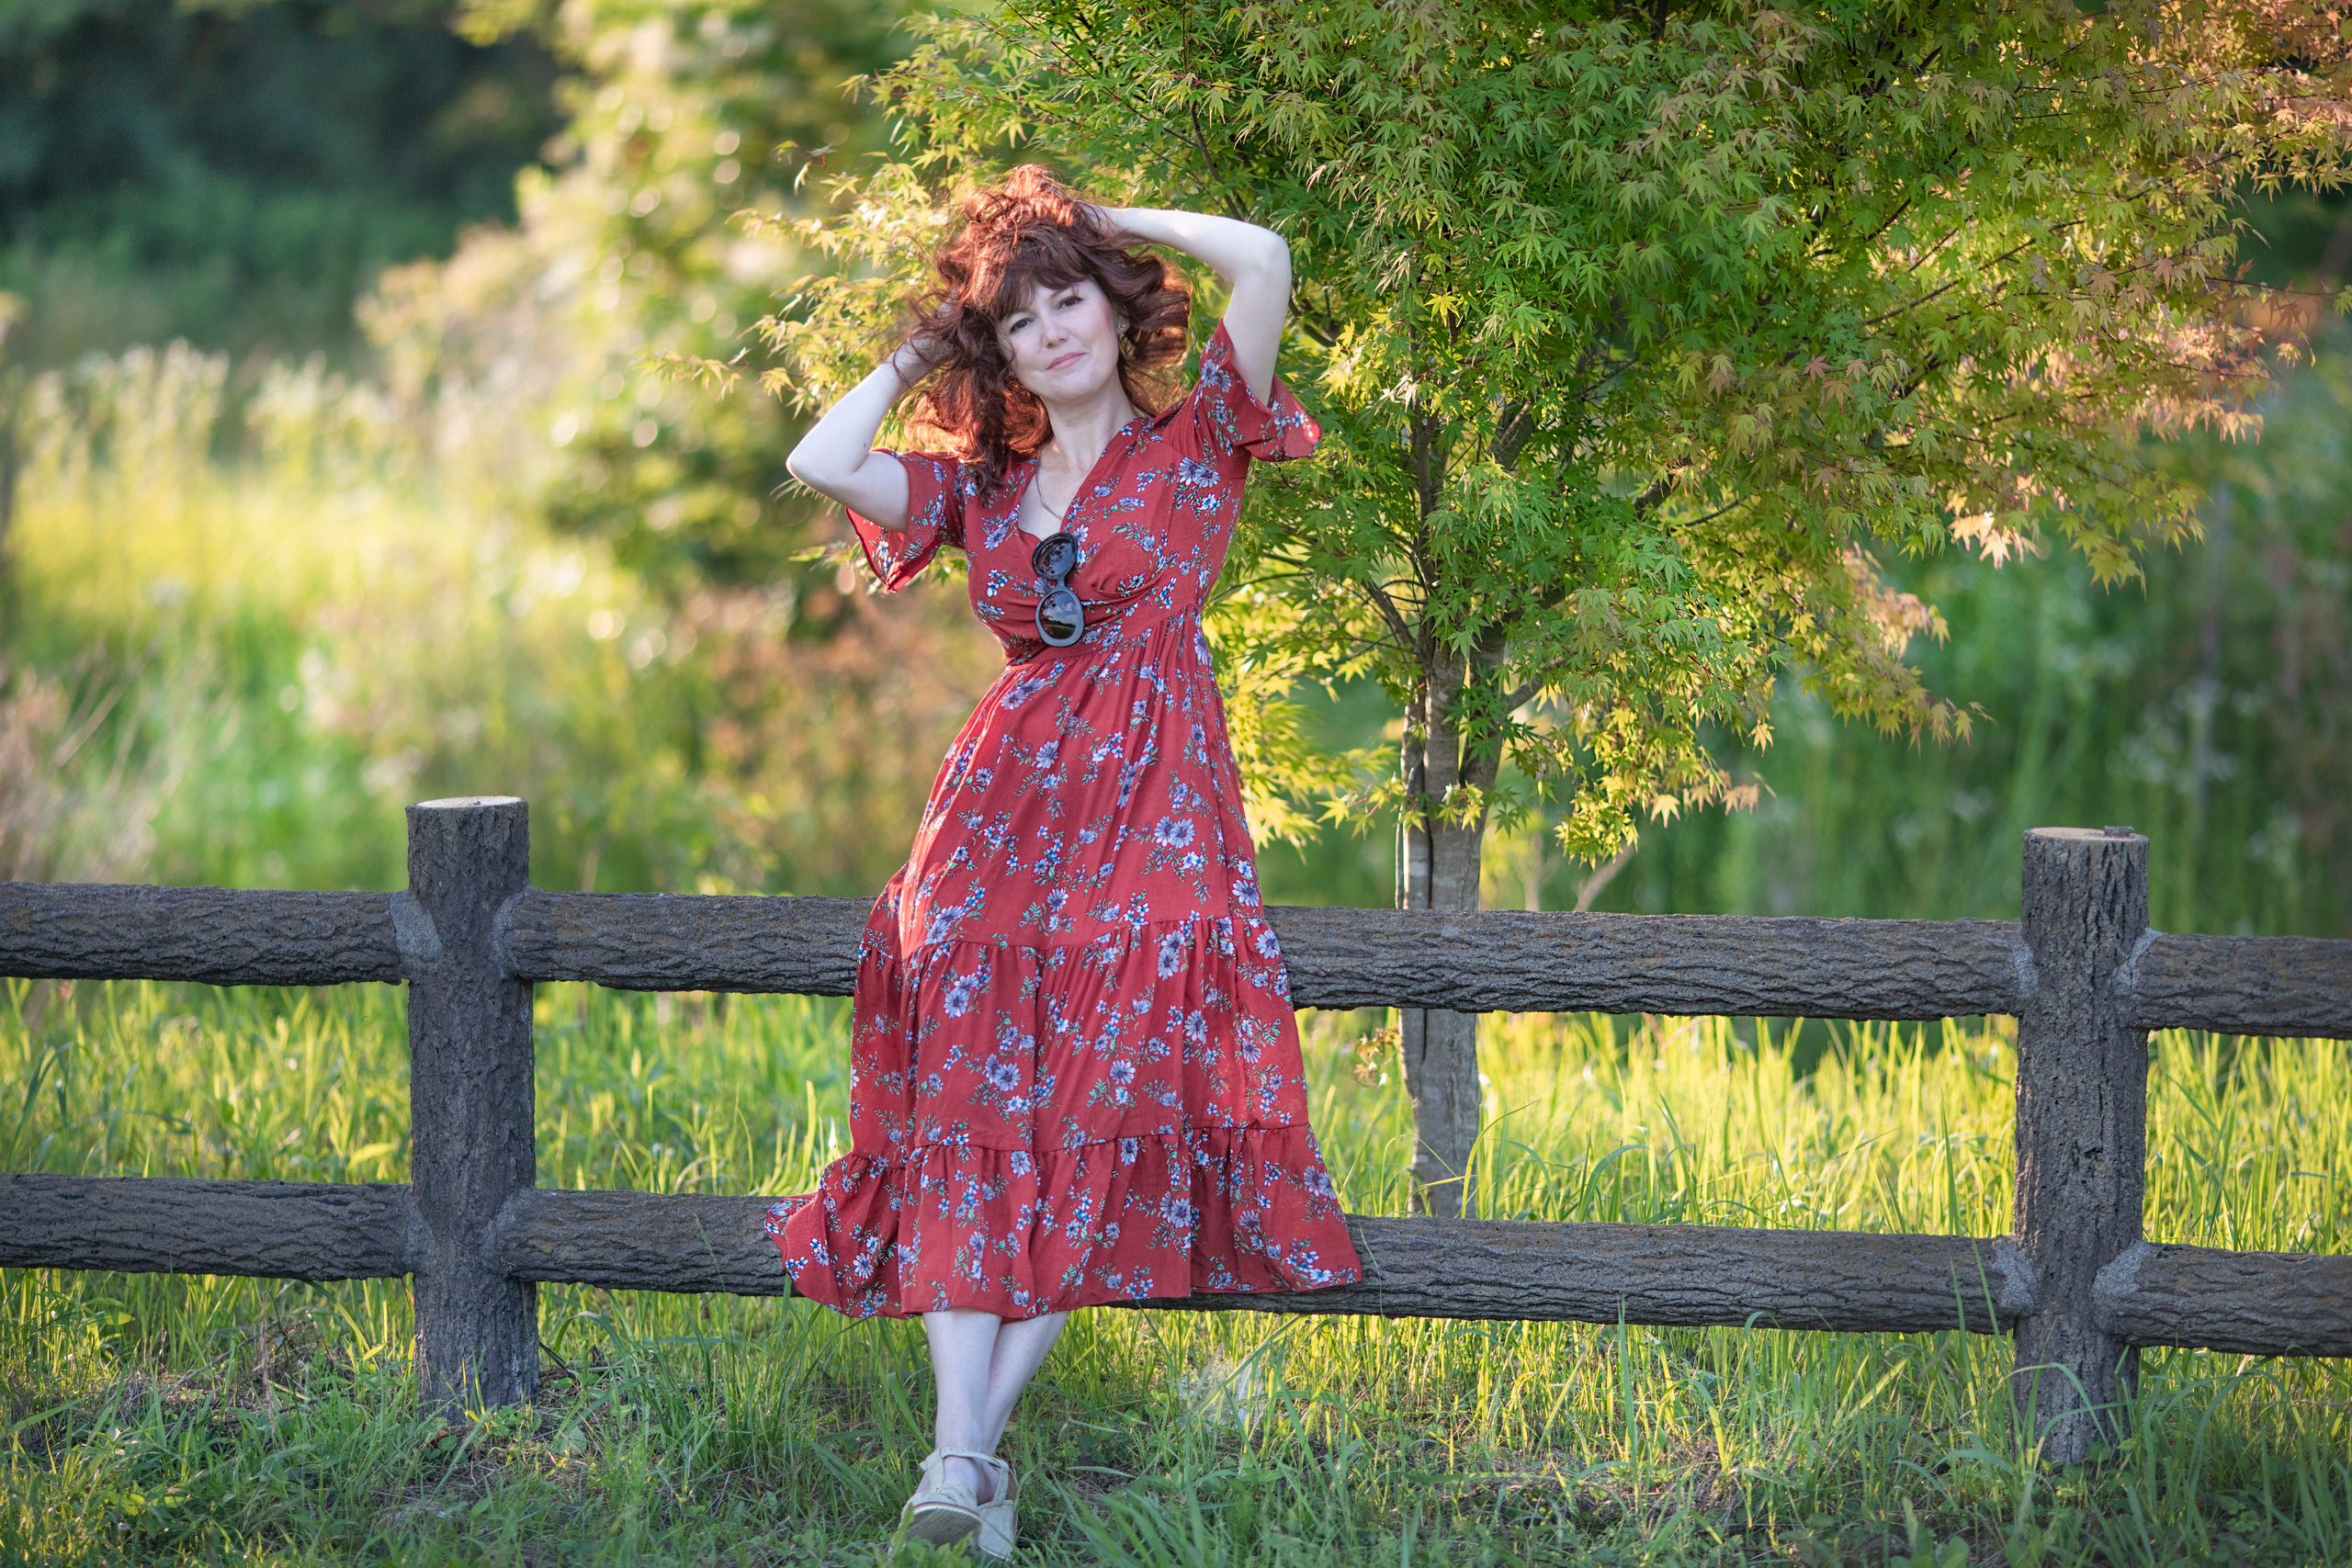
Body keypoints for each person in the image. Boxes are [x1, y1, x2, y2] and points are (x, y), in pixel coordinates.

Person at [771, 165, 1362, 1559]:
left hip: (1158, 818)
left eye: (1069, 301)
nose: (1052, 331)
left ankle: (960, 1462)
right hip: (991, 831)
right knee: (977, 1134)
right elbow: (818, 456)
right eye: (1020, 320)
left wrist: (1105, 224)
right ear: (1004, 354)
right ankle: (963, 1464)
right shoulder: (982, 489)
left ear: (1114, 312)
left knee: (1099, 1122)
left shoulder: (1206, 435)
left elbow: (1264, 254)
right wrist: (936, 333)